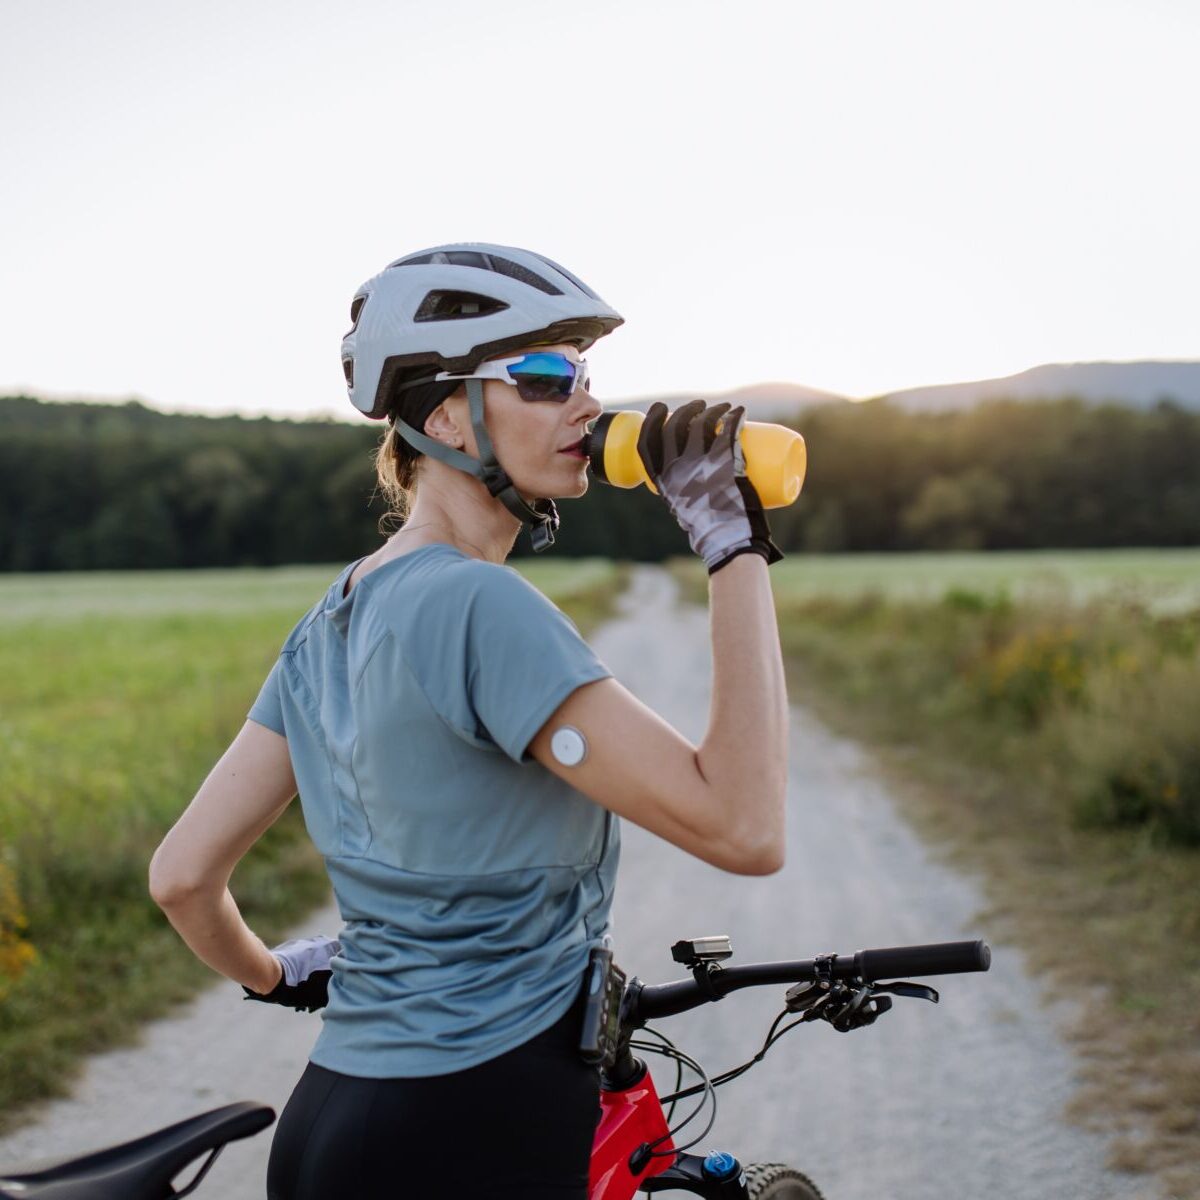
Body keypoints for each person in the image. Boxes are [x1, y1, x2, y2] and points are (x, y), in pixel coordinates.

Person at [148, 243, 789, 1199]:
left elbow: (183, 878)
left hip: (331, 1122)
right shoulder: (485, 607)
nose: (582, 403)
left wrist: (282, 978)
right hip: (478, 1121)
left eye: (582, 374)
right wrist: (732, 545)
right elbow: (743, 827)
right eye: (540, 375)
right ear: (445, 415)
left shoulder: (328, 622)